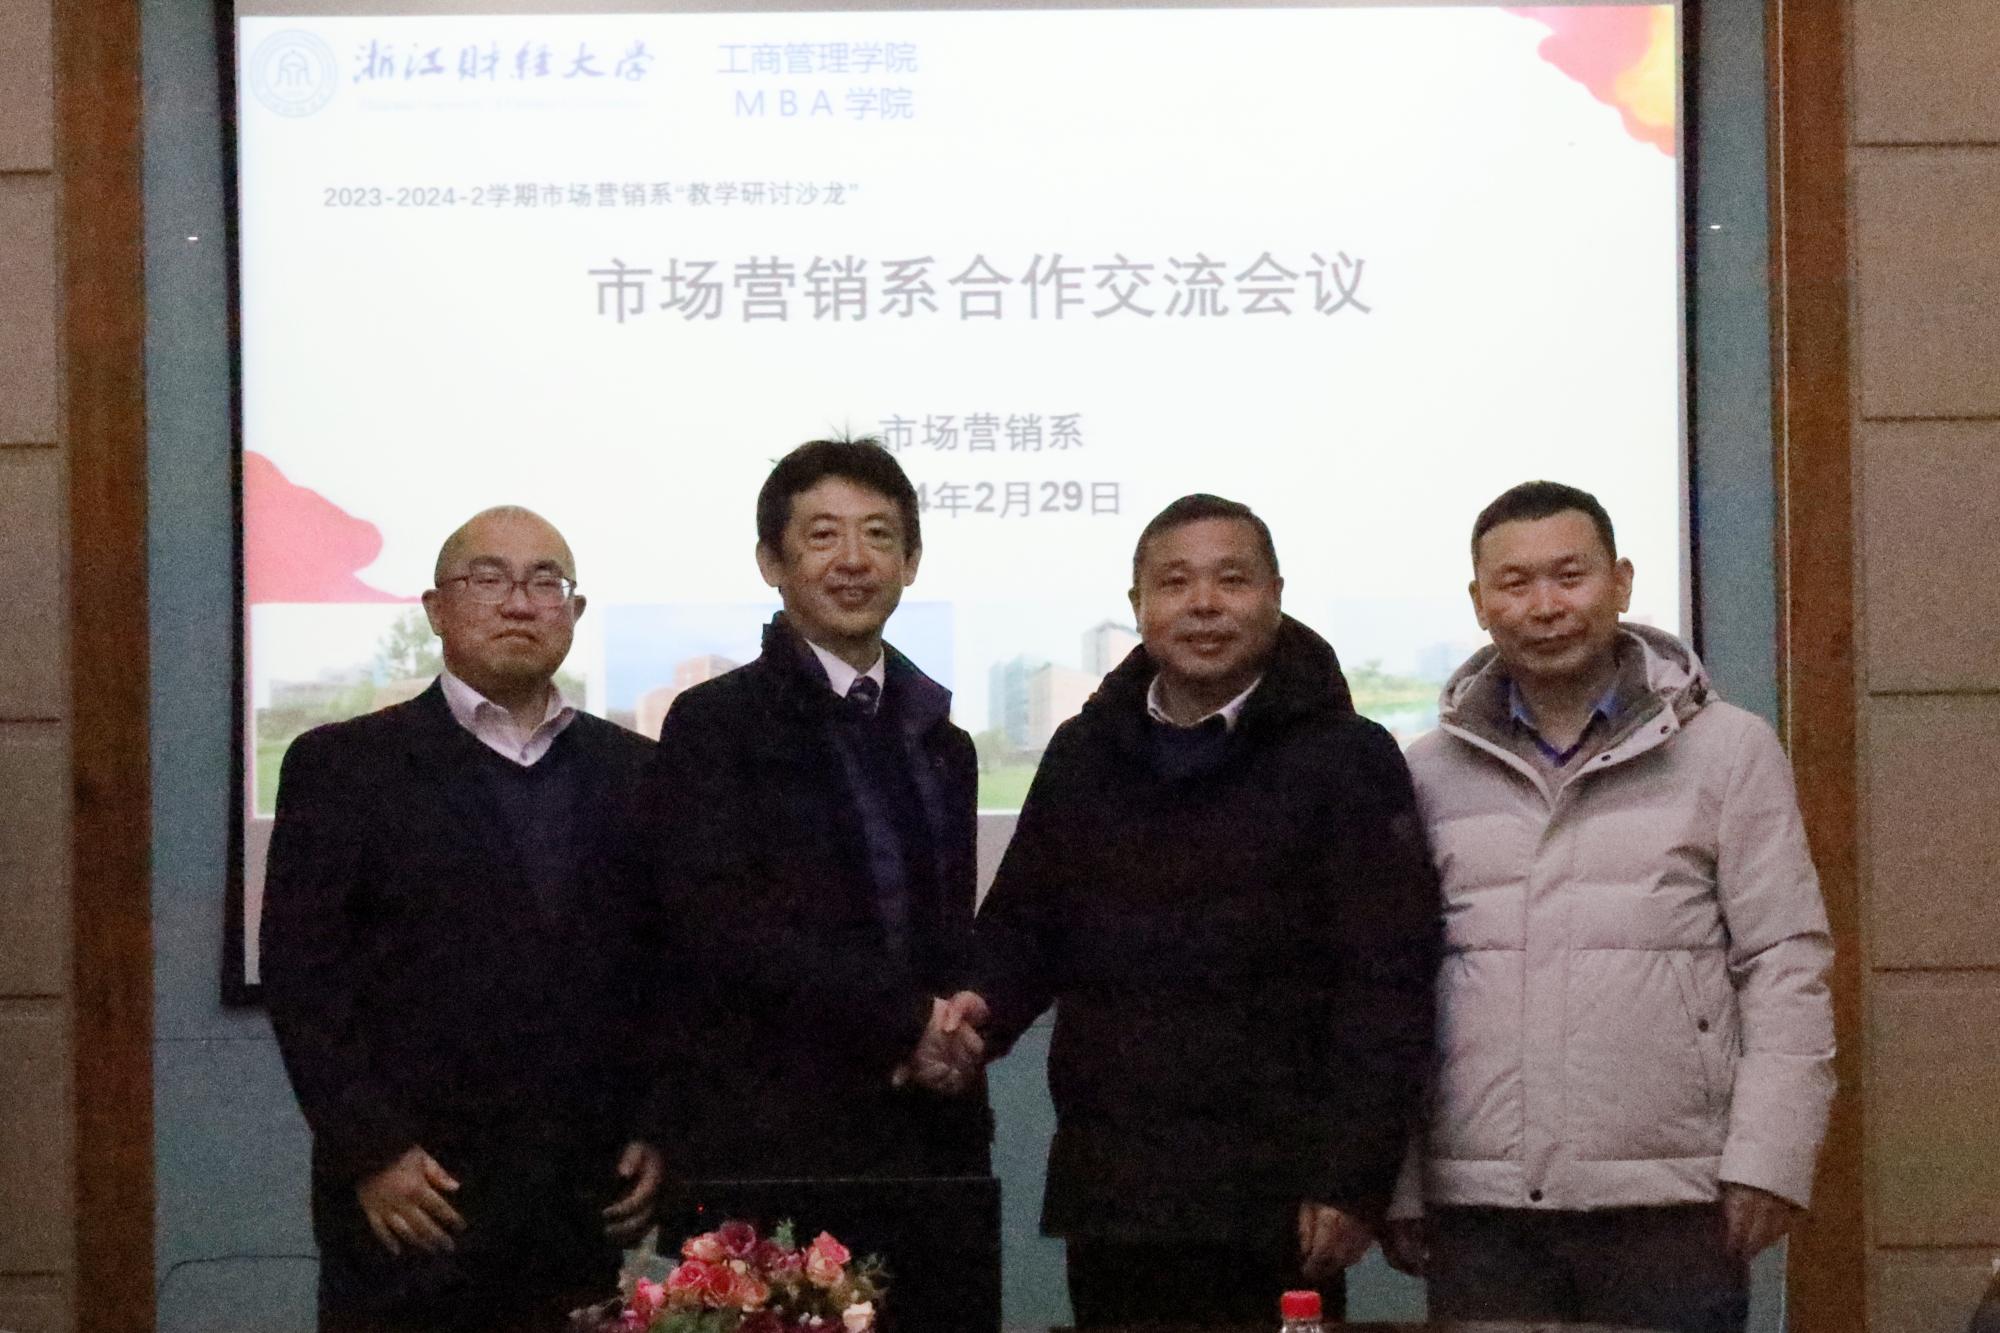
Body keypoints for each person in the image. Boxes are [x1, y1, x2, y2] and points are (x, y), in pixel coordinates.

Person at [955, 493, 1441, 1327]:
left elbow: (1386, 984)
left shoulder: (1347, 758)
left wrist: (1351, 1177)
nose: (1204, 604)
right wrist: (973, 1016)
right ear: (1138, 602)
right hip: (1116, 1189)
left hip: (1280, 1198)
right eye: (1175, 582)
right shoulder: (1086, 751)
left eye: (1232, 580)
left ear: (1275, 595)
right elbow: (1025, 927)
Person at [1382, 480, 1836, 1333]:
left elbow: (1784, 959)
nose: (1545, 606)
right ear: (1479, 603)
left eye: (1570, 575)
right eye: (1515, 583)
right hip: (1481, 1209)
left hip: (1674, 1201)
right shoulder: (1427, 771)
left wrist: (1770, 1156)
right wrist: (1400, 1178)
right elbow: (1395, 987)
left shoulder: (1728, 751)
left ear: (1621, 583)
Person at [262, 507, 665, 1333]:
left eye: (545, 581)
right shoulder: (343, 766)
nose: (518, 601)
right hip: (415, 1202)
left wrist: (662, 1126)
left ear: (574, 612)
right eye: (488, 578)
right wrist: (371, 1150)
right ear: (436, 608)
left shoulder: (640, 772)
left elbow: (676, 969)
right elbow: (304, 978)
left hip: (583, 1203)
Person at [635, 440, 994, 1320]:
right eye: (823, 535)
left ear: (910, 560)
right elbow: (723, 927)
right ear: (772, 560)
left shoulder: (942, 739)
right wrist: (907, 1020)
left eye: (879, 534)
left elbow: (945, 928)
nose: (854, 559)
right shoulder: (716, 726)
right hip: (772, 1143)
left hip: (930, 1141)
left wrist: (956, 1027)